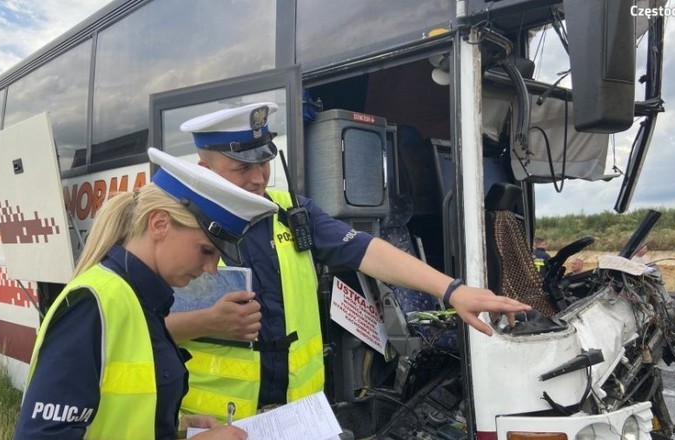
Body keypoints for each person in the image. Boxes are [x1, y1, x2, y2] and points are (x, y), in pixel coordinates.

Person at [165, 102, 531, 422]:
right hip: (214, 424)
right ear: (204, 167)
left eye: (264, 161)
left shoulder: (291, 211)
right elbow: (134, 328)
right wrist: (206, 322)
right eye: (241, 168)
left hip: (298, 416)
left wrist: (452, 290)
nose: (259, 177)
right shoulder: (179, 229)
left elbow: (366, 250)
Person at [13, 149, 274, 440]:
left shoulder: (142, 301)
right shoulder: (93, 304)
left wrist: (172, 427)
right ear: (159, 224)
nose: (212, 268)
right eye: (206, 250)